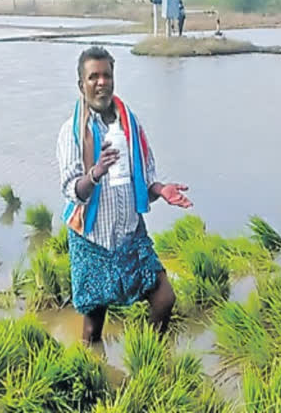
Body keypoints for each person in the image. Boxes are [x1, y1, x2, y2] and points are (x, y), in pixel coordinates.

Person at [57, 46, 192, 342]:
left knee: (164, 299)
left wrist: (161, 189)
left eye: (106, 75)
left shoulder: (129, 125)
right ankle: (95, 376)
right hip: (93, 240)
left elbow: (143, 180)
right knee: (93, 325)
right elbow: (72, 191)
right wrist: (95, 172)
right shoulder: (72, 132)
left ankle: (149, 358)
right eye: (93, 77)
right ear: (82, 85)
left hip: (131, 236)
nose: (101, 82)